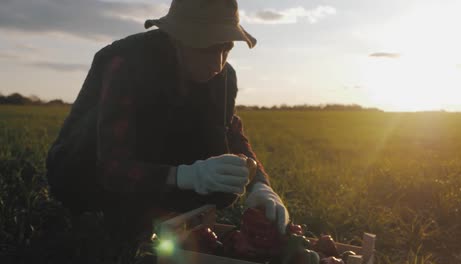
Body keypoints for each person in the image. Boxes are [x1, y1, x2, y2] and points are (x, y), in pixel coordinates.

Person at [46, 0, 289, 241]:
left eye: (225, 49)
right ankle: (118, 214)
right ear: (176, 37)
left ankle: (157, 210)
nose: (217, 63)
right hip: (86, 170)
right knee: (118, 210)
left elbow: (229, 131)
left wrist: (260, 184)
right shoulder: (128, 63)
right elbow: (111, 167)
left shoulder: (223, 77)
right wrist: (186, 176)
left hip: (155, 167)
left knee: (221, 178)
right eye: (206, 46)